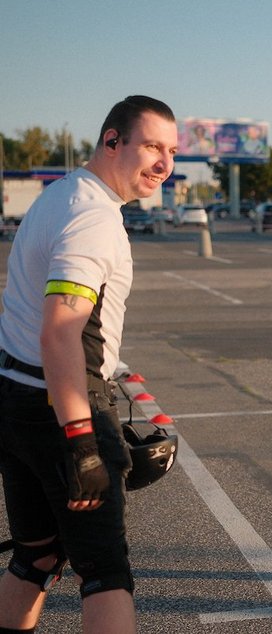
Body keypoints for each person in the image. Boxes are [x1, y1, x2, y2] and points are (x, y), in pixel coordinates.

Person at [0, 95, 177, 633]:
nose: (164, 164)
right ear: (112, 140)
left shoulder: (61, 196)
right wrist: (81, 440)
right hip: (59, 408)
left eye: (171, 151)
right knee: (105, 574)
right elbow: (60, 332)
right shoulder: (93, 218)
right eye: (151, 146)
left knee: (39, 555)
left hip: (16, 396)